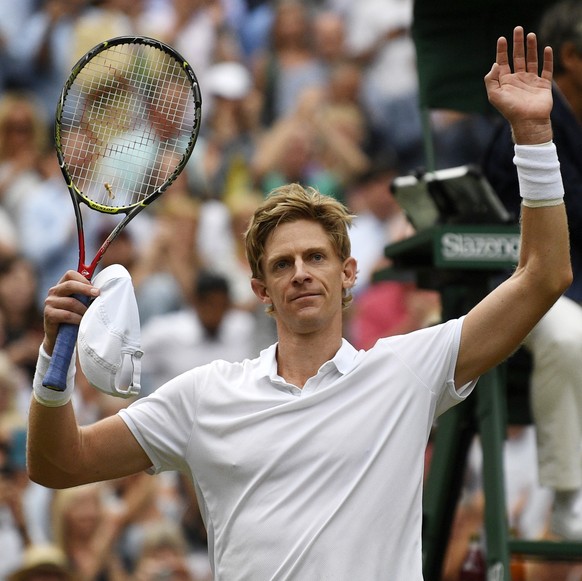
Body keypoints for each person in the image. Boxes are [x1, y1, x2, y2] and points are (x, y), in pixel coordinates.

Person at [27, 27, 572, 579]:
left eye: (316, 258)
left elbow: (544, 276)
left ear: (348, 273)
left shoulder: (406, 371)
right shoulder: (205, 395)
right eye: (282, 265)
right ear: (261, 291)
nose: (301, 273)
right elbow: (57, 463)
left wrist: (532, 134)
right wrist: (53, 363)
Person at [482, 0, 582, 540]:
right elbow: (513, 240)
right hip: (525, 288)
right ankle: (568, 499)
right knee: (570, 337)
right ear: (570, 56)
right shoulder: (524, 126)